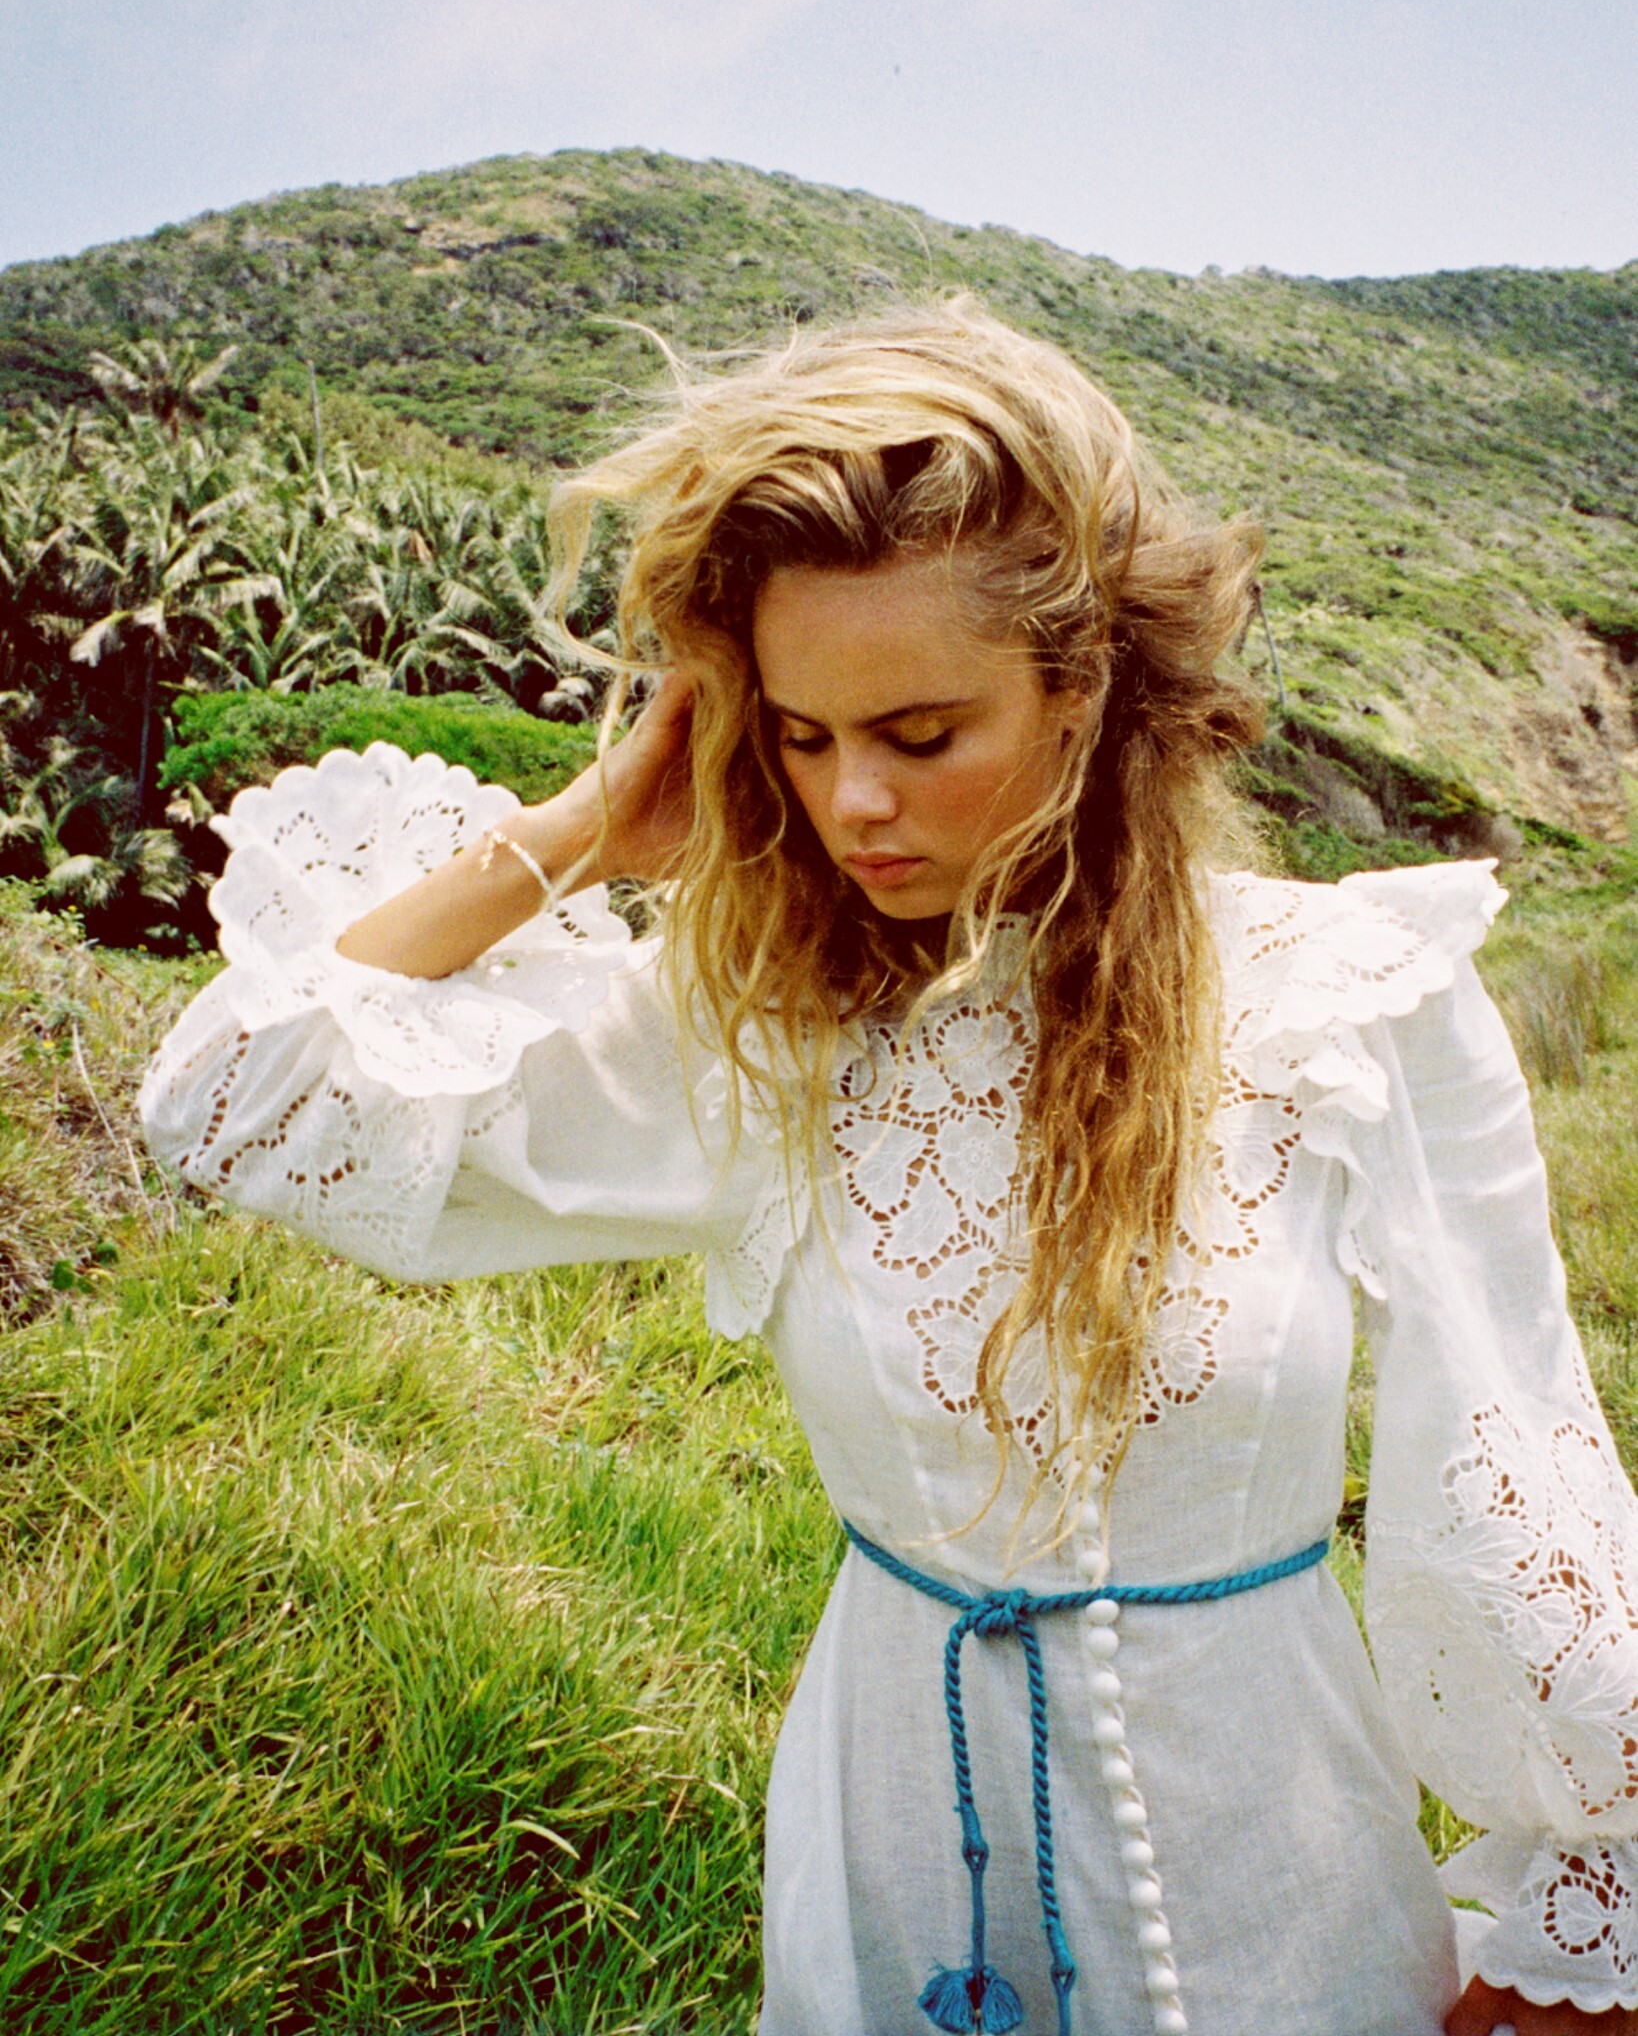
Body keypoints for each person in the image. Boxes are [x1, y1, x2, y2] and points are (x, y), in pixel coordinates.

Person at [141, 300, 1638, 2036]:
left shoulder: (1352, 1002)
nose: (853, 802)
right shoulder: (754, 1032)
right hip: (898, 1845)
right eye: (799, 734)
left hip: (1271, 1849)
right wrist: (586, 830)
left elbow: (1512, 1450)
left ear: (1081, 690)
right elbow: (238, 1097)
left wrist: (1591, 1904)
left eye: (920, 736)